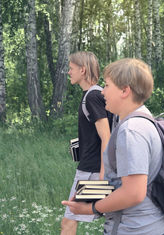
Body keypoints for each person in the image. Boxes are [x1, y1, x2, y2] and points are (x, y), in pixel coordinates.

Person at [62, 58, 164, 235]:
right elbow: (126, 181)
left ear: (125, 91)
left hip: (138, 229)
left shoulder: (132, 131)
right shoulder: (144, 118)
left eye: (107, 86)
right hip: (154, 226)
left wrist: (91, 208)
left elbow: (134, 193)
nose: (102, 93)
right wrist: (88, 193)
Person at [61, 51, 112, 235]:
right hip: (93, 168)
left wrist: (103, 175)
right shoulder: (95, 94)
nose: (68, 72)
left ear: (83, 70)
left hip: (91, 172)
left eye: (71, 68)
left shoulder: (92, 97)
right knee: (113, 218)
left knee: (69, 221)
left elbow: (106, 136)